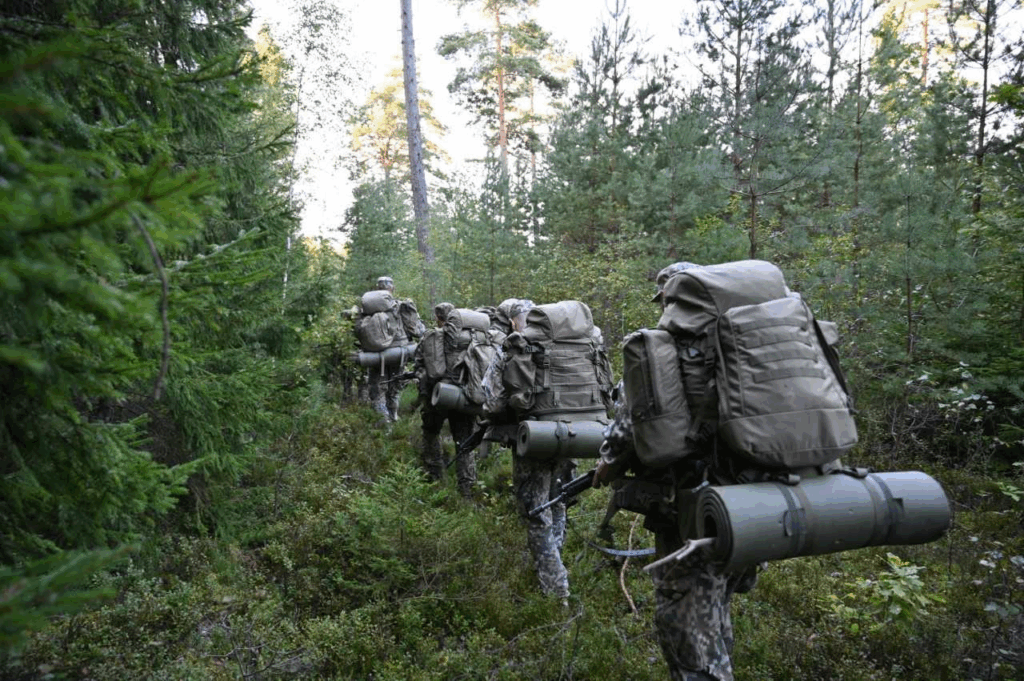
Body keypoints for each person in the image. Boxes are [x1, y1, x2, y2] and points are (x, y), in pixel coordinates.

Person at [593, 261, 758, 681]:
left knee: (684, 621)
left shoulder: (667, 349)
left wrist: (607, 464)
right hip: (755, 498)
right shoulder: (743, 341)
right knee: (715, 608)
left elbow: (632, 425)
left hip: (691, 507)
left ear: (673, 296)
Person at [413, 302, 478, 497]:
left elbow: (419, 363)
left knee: (431, 432)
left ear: (438, 318)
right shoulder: (472, 338)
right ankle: (467, 487)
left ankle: (435, 477)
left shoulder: (430, 336)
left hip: (437, 396)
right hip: (463, 395)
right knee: (464, 441)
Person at [364, 275, 421, 422]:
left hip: (377, 355)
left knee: (378, 390)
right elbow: (417, 331)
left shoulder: (368, 309)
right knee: (394, 389)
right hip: (399, 354)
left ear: (377, 289)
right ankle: (394, 417)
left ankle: (383, 424)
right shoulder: (401, 306)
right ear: (392, 289)